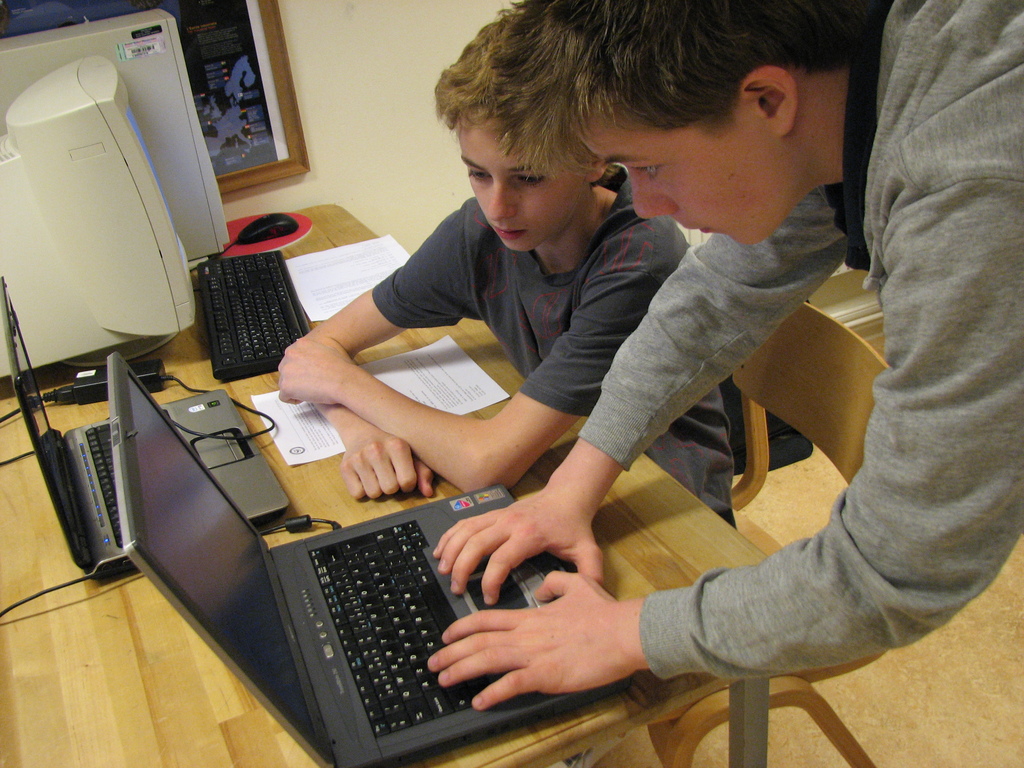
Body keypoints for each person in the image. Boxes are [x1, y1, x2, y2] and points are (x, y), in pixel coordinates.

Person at [428, 0, 1024, 713]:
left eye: (650, 166)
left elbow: (899, 565)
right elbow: (708, 305)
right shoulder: (837, 100)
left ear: (767, 99)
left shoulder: (972, 189)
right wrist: (569, 491)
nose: (645, 204)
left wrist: (627, 634)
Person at [276, 16, 733, 525]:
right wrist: (360, 431)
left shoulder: (637, 260)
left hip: (668, 507)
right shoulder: (481, 232)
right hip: (556, 466)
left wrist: (344, 386)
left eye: (528, 177)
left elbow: (486, 464)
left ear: (594, 160)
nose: (497, 207)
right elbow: (316, 355)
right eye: (478, 173)